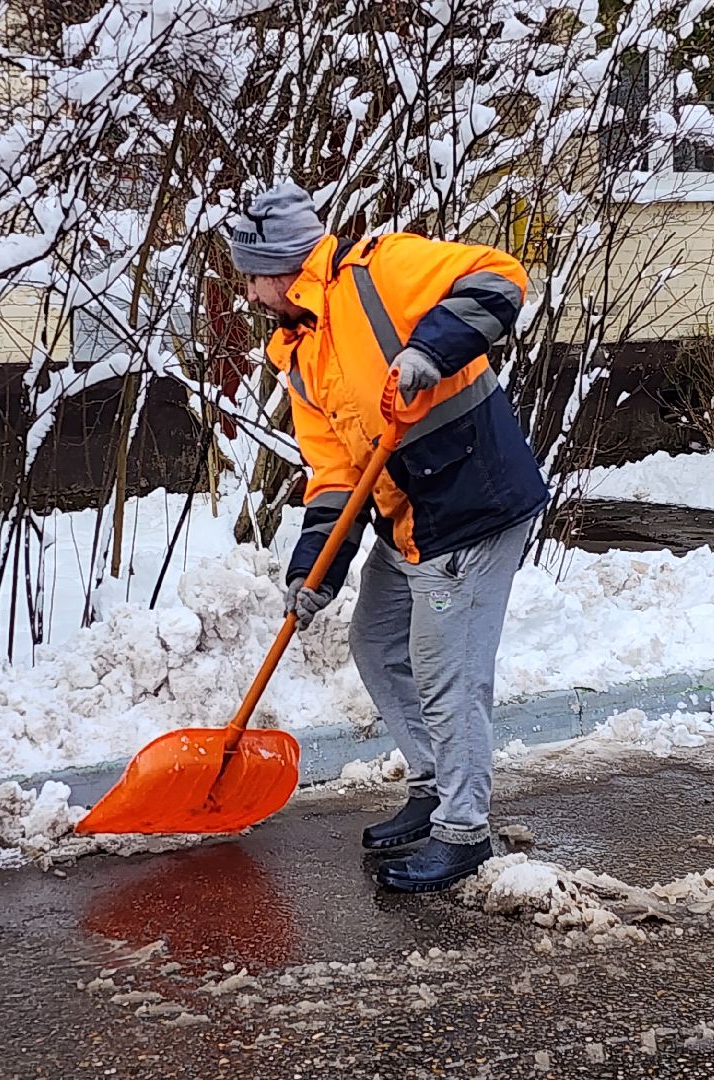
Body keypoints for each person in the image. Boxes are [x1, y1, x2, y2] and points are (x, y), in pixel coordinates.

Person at [224, 181, 549, 893]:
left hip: (474, 506)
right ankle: (433, 784)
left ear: (281, 266)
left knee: (448, 675)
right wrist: (315, 572)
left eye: (251, 275)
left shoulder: (379, 272)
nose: (248, 293)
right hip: (412, 519)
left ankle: (465, 831)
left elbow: (501, 277)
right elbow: (335, 474)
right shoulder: (301, 351)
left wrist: (432, 347)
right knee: (375, 642)